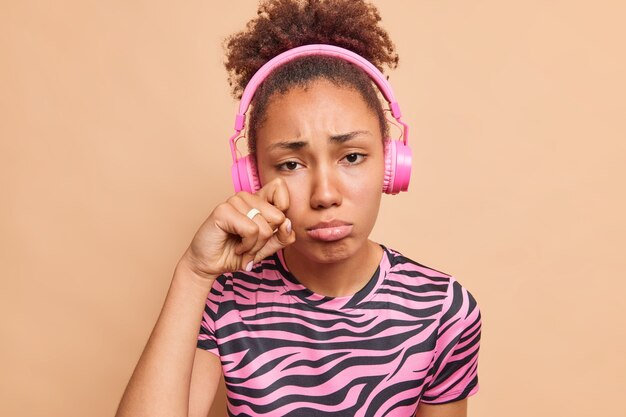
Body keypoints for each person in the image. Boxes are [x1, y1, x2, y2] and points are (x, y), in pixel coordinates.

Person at [115, 1, 481, 416]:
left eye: (352, 157)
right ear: (253, 180)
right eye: (291, 164)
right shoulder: (223, 301)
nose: (325, 194)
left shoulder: (443, 309)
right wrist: (193, 274)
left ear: (391, 163)